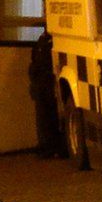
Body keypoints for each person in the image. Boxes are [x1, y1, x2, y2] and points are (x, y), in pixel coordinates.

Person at [28, 30, 63, 158]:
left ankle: (50, 146)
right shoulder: (44, 40)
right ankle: (46, 145)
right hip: (42, 83)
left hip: (47, 82)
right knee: (43, 117)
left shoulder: (49, 41)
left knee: (49, 117)